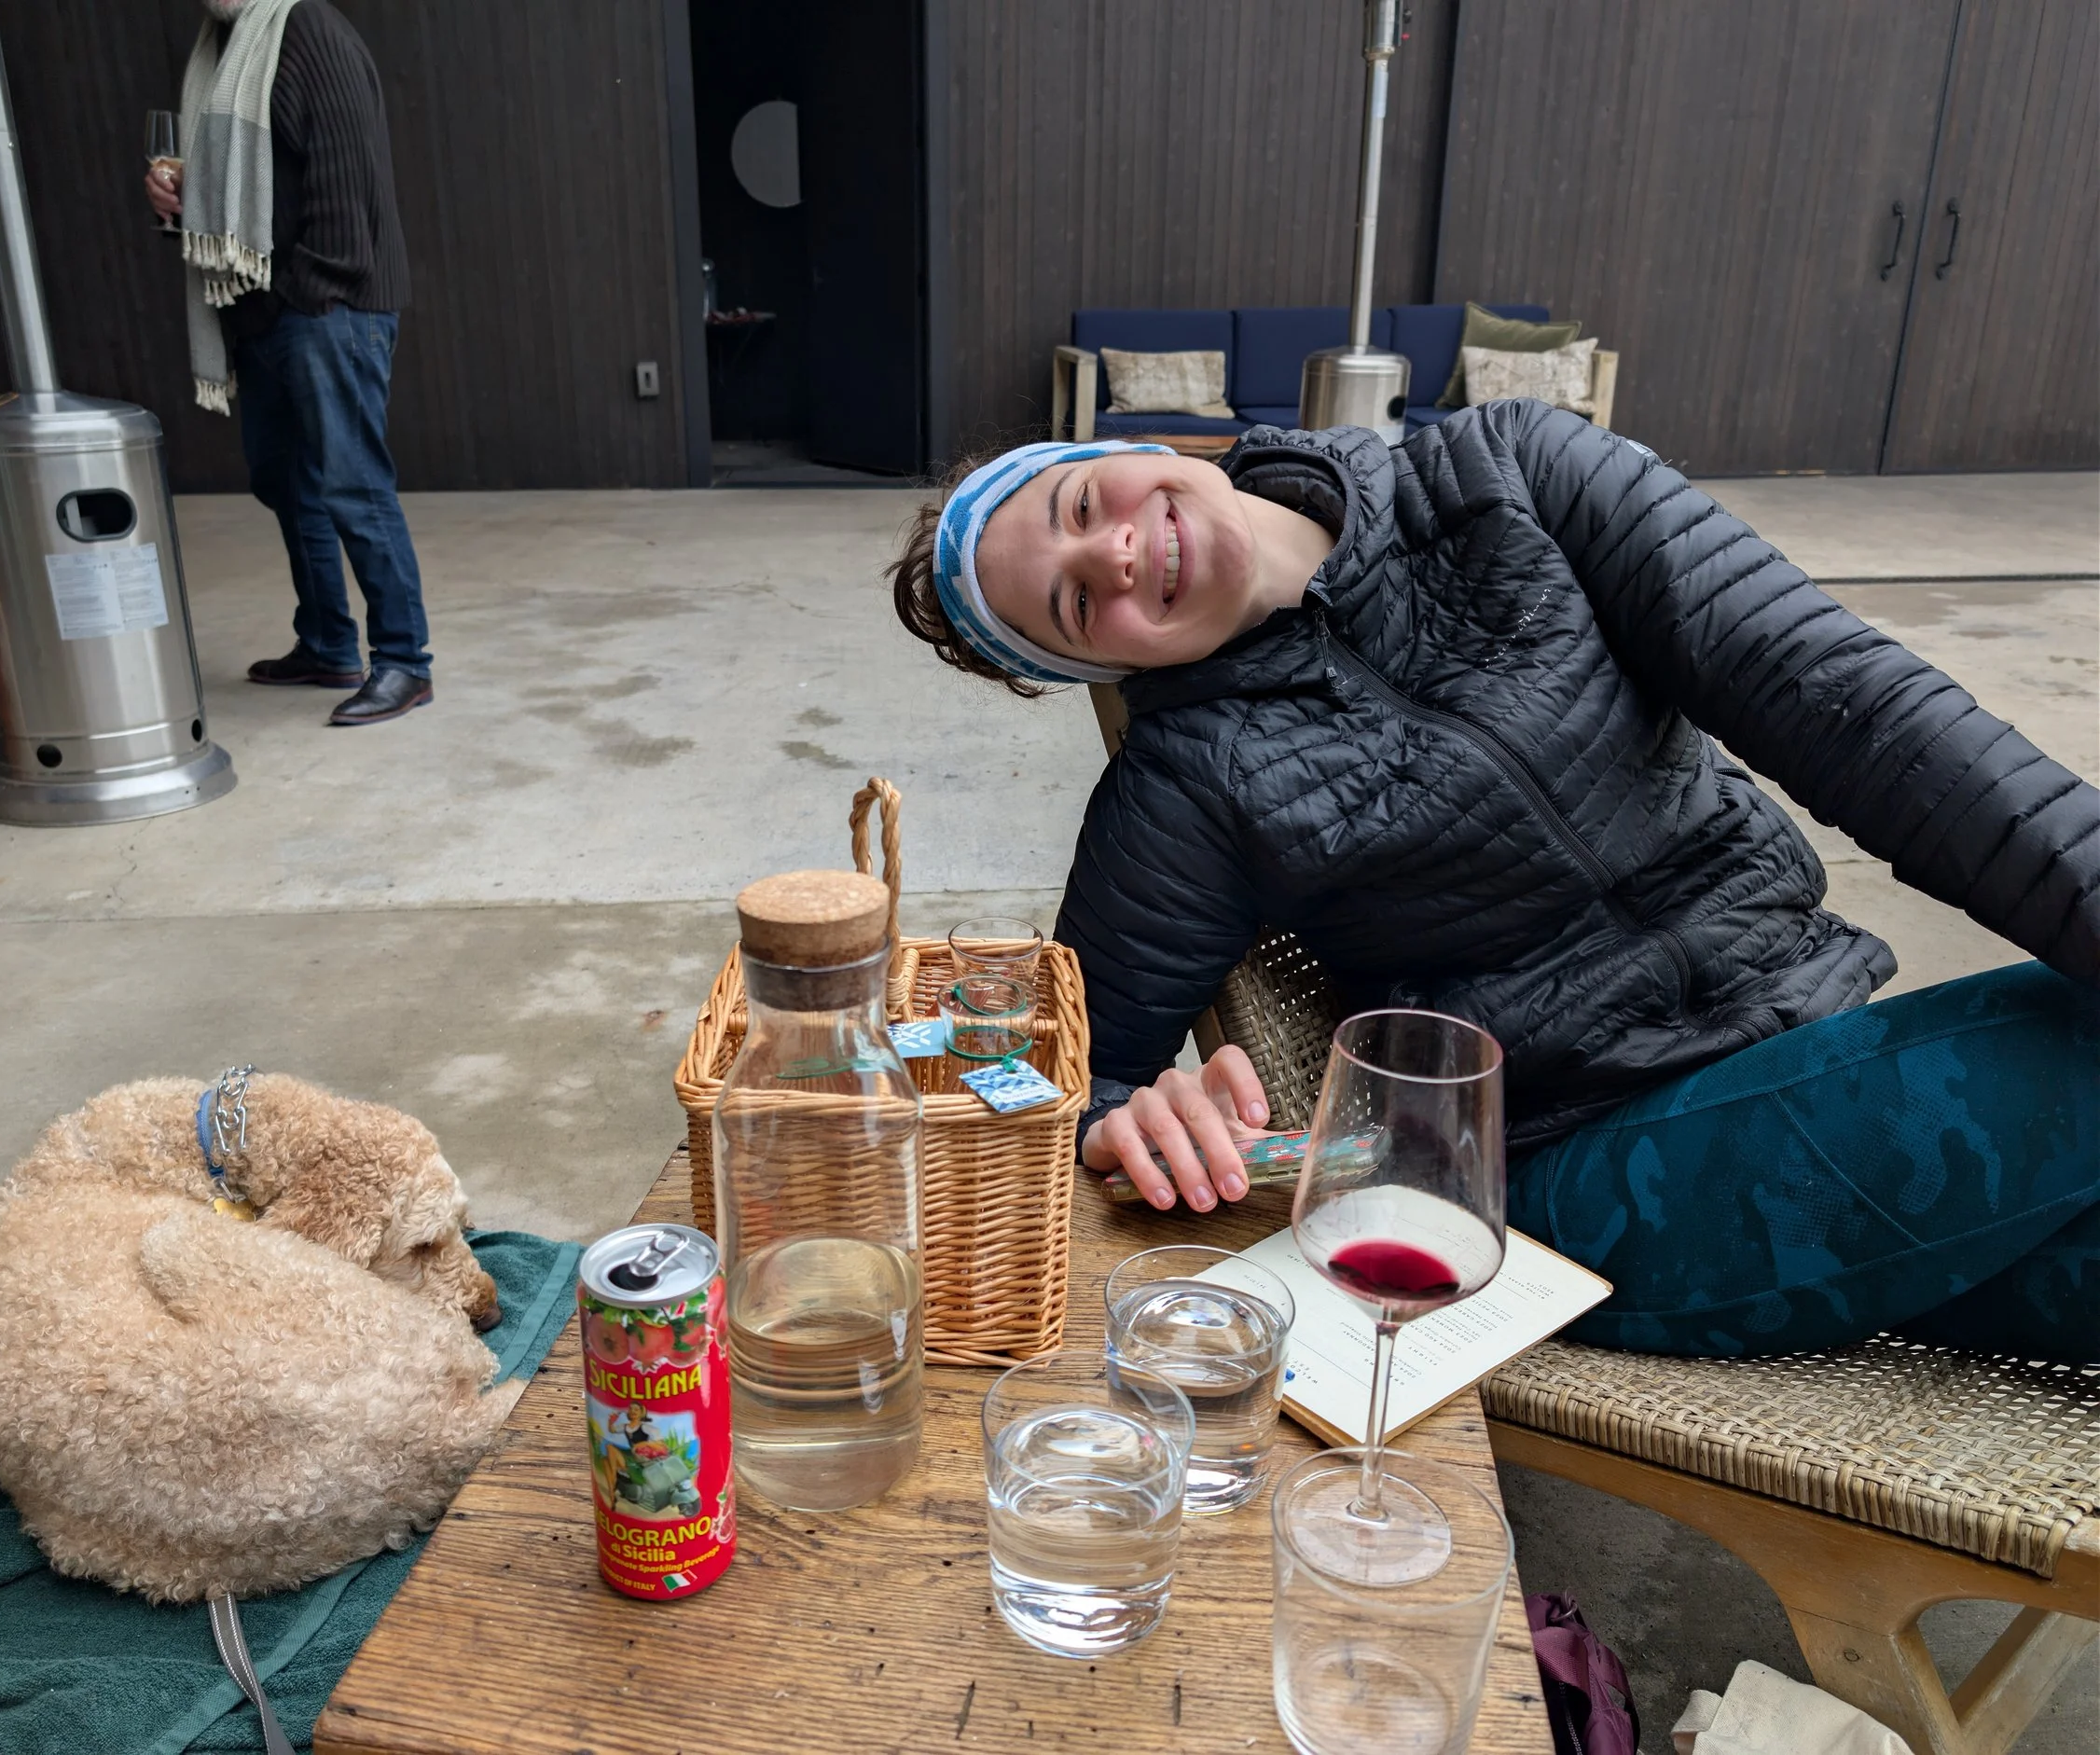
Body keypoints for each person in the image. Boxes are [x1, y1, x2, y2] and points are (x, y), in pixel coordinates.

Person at [887, 410, 2100, 1361]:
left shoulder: (1511, 475)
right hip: (1578, 1168)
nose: (1112, 548)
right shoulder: (1182, 785)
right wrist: (1117, 1117)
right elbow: (1046, 1068)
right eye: (1073, 600)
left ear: (1138, 451)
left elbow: (1854, 710)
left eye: (1083, 503)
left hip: (1823, 1031)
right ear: (1094, 656)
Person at [147, 0, 432, 726]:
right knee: (285, 481)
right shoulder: (221, 50)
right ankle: (329, 645)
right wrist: (181, 203)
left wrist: (306, 293)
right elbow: (250, 189)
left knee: (352, 484)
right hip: (262, 312)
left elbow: (347, 179)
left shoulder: (307, 30)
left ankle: (403, 661)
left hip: (327, 307)